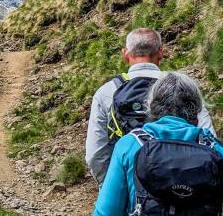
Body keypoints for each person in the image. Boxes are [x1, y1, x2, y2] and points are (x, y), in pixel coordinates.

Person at [93, 72, 223, 216]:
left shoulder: (130, 145)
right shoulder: (214, 149)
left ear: (151, 106)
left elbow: (105, 212)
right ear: (197, 111)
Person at [85, 28, 215, 184]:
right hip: (181, 182)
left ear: (125, 54)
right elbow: (209, 137)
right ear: (161, 52)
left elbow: (95, 154)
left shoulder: (106, 92)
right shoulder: (183, 86)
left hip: (129, 183)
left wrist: (112, 185)